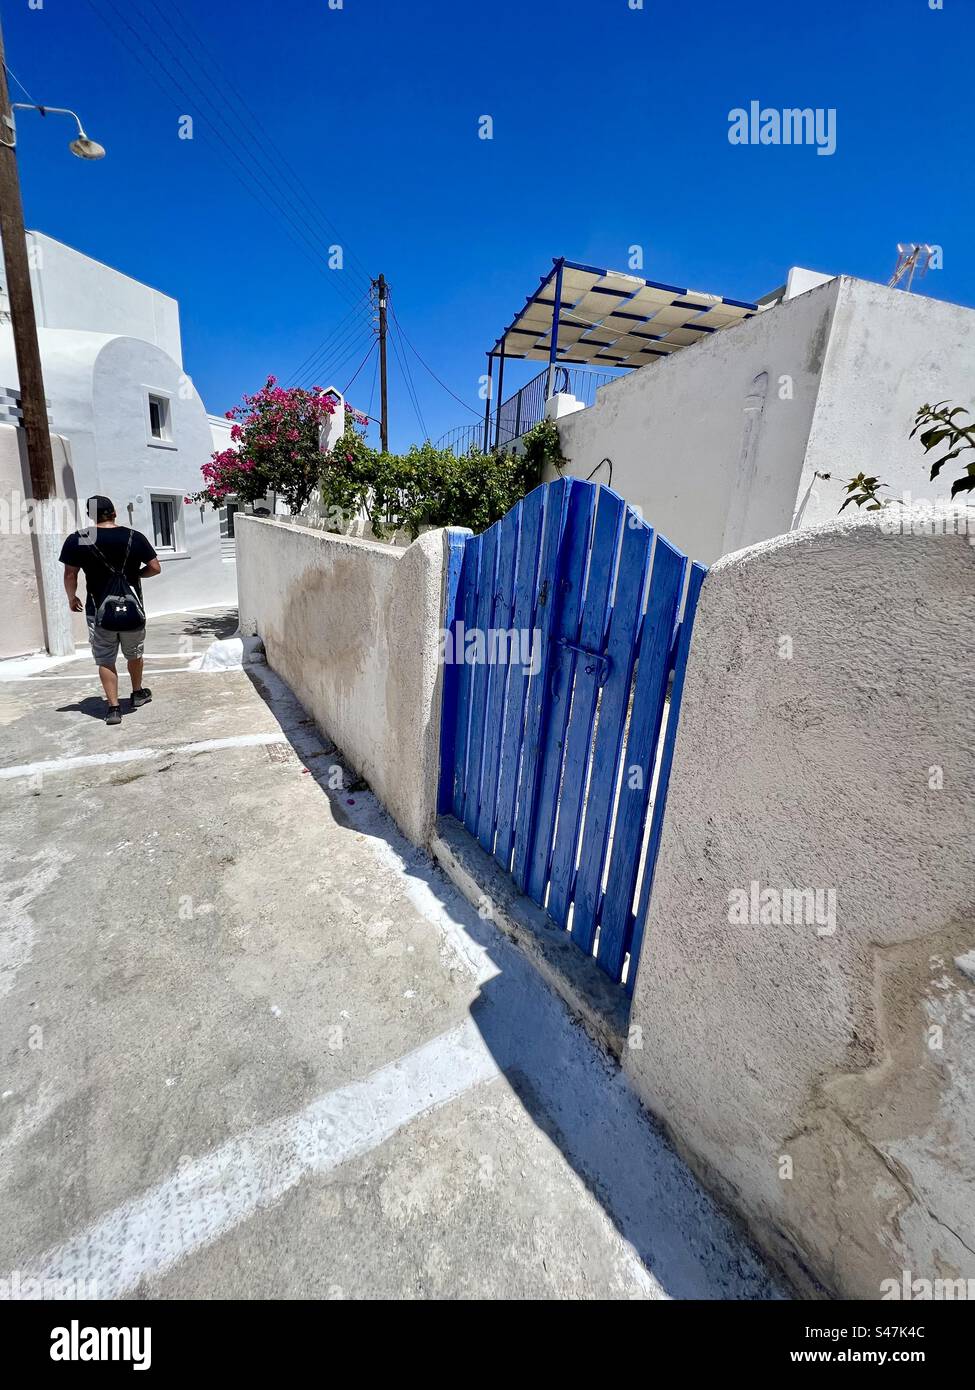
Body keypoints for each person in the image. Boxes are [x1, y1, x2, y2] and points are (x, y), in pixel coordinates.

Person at [59, 496, 161, 726]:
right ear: (114, 512)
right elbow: (155, 568)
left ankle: (113, 708)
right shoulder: (134, 537)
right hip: (132, 609)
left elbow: (70, 575)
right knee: (134, 653)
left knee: (105, 659)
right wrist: (136, 576)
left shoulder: (78, 539)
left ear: (90, 515)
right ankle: (137, 693)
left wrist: (72, 597)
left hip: (98, 610)